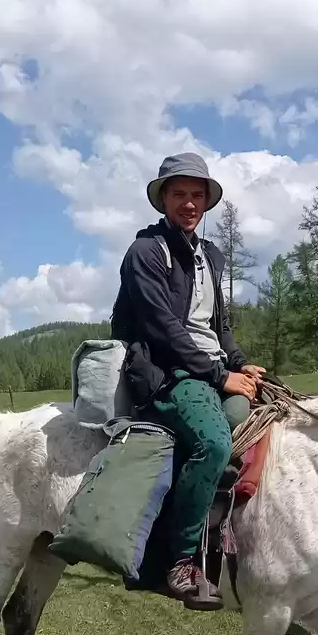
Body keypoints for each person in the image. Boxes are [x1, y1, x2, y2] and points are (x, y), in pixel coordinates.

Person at [110, 152, 266, 610]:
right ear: (162, 199)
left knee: (261, 419)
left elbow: (218, 326)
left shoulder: (208, 256)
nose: (190, 203)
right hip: (168, 373)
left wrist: (241, 363)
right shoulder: (146, 252)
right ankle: (175, 561)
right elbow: (163, 328)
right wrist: (221, 375)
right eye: (179, 194)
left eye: (198, 195)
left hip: (210, 370)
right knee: (215, 445)